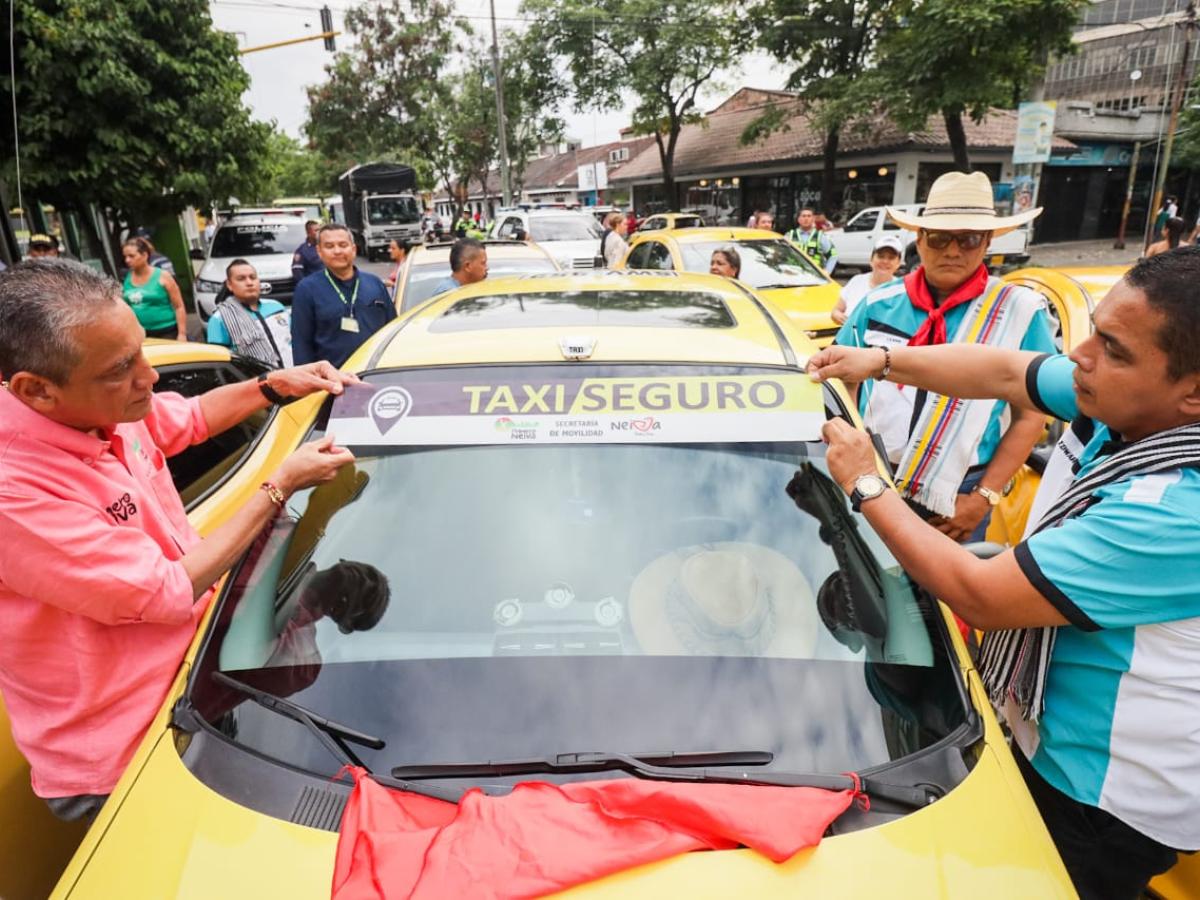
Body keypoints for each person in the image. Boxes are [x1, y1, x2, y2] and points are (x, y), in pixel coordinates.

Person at [807, 246, 1200, 899]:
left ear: (1193, 392)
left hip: (1104, 796)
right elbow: (1002, 372)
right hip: (1041, 738)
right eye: (1093, 332)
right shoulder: (1120, 403)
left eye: (1116, 350)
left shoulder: (1178, 514)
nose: (1081, 357)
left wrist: (868, 483)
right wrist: (880, 360)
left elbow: (981, 594)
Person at [0, 258, 357, 820]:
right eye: (122, 367)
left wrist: (270, 386)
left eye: (143, 350)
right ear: (36, 391)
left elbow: (184, 420)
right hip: (124, 759)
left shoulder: (107, 407)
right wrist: (279, 484)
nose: (149, 377)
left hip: (198, 698)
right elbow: (167, 591)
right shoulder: (14, 492)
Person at [835, 171, 1055, 542]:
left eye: (968, 239)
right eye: (939, 238)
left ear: (986, 242)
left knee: (944, 598)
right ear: (919, 240)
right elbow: (844, 384)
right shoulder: (876, 304)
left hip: (958, 492)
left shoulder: (1020, 312)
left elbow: (1031, 415)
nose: (953, 251)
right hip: (873, 476)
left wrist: (983, 498)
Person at [290, 223, 396, 368]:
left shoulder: (374, 283)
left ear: (353, 249)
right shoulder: (307, 290)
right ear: (319, 251)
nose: (337, 251)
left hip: (377, 376)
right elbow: (302, 345)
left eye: (343, 245)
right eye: (329, 246)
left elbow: (392, 330)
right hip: (334, 383)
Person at [206, 259, 288, 367]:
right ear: (229, 285)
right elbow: (219, 363)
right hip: (257, 380)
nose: (249, 283)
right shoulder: (220, 319)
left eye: (253, 277)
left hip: (294, 375)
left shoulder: (276, 307)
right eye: (241, 279)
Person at [121, 237, 188, 341]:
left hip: (167, 332)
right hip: (142, 335)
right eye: (125, 257)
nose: (127, 260)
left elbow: (179, 307)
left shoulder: (163, 276)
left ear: (144, 255)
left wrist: (182, 334)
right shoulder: (126, 279)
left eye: (131, 256)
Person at [832, 235, 904, 325]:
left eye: (891, 258)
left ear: (898, 263)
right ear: (871, 259)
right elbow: (836, 310)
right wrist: (838, 316)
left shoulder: (901, 292)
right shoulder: (856, 281)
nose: (885, 261)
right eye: (881, 256)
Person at [786, 208, 839, 274]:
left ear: (813, 219)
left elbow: (833, 254)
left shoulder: (820, 236)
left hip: (814, 277)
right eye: (803, 216)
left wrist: (827, 271)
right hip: (794, 276)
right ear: (798, 219)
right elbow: (781, 255)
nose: (806, 219)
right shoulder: (789, 236)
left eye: (809, 216)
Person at [291, 220, 325, 284]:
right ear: (308, 233)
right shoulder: (302, 251)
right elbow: (297, 272)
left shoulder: (326, 246)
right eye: (316, 230)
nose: (319, 232)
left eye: (320, 230)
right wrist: (307, 287)